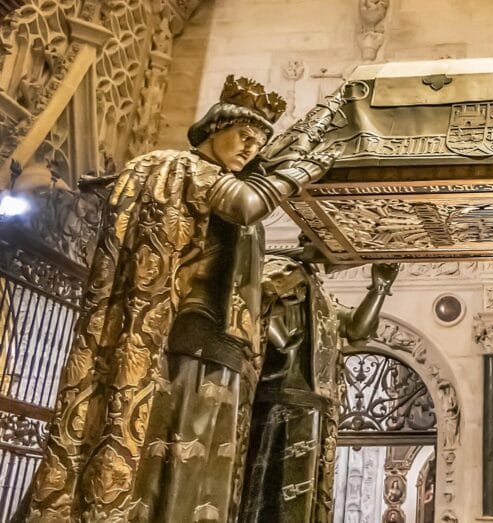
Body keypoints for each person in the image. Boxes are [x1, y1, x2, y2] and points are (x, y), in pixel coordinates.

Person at [18, 75, 346, 523]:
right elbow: (246, 203)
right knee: (164, 456)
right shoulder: (181, 168)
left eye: (257, 142)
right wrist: (306, 168)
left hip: (221, 346)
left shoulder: (219, 180)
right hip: (176, 340)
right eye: (244, 136)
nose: (249, 148)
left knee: (205, 469)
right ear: (214, 129)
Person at [239, 254, 399, 522]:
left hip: (315, 402)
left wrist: (380, 287)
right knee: (271, 485)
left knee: (308, 491)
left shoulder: (318, 291)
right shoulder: (285, 269)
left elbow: (358, 329)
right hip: (283, 395)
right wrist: (284, 340)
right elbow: (258, 299)